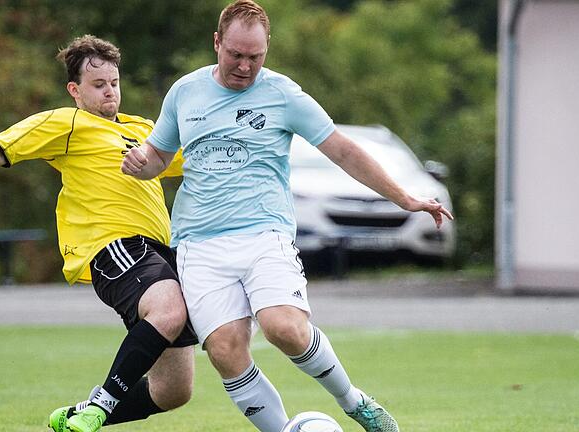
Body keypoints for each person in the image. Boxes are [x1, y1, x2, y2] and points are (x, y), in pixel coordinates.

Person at [121, 1, 453, 431]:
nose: (244, 66)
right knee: (224, 349)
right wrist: (141, 162)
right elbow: (159, 156)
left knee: (285, 328)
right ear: (217, 43)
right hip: (198, 243)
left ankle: (355, 403)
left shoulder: (283, 94)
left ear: (267, 49)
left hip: (264, 232)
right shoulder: (185, 92)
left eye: (255, 57)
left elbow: (344, 151)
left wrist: (405, 198)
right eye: (235, 55)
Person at [0, 35, 197, 432]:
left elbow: (198, 160)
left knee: (174, 390)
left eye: (114, 83)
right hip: (114, 246)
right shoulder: (66, 122)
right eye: (98, 85)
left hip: (159, 253)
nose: (109, 92)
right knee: (169, 310)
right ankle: (102, 404)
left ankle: (74, 417)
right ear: (75, 90)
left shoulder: (142, 128)